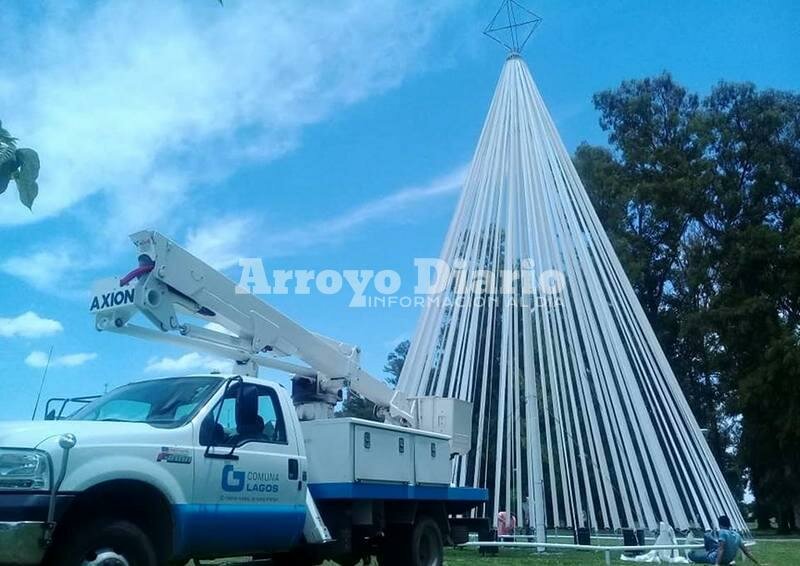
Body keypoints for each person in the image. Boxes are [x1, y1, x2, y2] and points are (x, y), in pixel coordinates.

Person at [688, 515, 762, 565]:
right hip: (728, 560)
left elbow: (721, 549)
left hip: (716, 559)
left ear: (719, 524)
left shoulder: (722, 532)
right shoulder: (737, 535)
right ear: (729, 524)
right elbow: (746, 552)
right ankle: (710, 551)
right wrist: (757, 563)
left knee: (692, 555)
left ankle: (704, 552)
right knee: (709, 538)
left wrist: (717, 564)